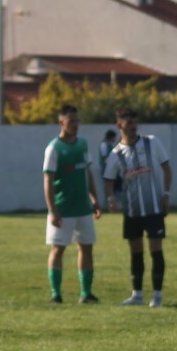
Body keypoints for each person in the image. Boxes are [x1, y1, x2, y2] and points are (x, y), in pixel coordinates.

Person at [103, 107, 172, 308]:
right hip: (132, 211)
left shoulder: (152, 143)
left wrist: (166, 194)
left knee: (156, 250)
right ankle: (137, 294)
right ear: (119, 125)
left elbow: (167, 168)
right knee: (136, 252)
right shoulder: (116, 153)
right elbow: (108, 179)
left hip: (154, 208)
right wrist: (110, 198)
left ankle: (157, 296)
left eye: (135, 123)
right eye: (128, 123)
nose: (133, 127)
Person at [43, 104, 102, 304]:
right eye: (71, 121)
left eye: (77, 121)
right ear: (61, 122)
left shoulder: (83, 144)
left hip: (83, 208)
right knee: (58, 249)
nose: (75, 125)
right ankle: (55, 294)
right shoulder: (54, 149)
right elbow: (48, 181)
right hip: (63, 209)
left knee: (86, 248)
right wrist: (53, 210)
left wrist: (94, 198)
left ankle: (86, 293)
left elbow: (88, 172)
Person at [97, 129, 119, 209]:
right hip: (106, 169)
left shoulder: (109, 145)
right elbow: (105, 158)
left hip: (110, 168)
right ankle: (108, 205)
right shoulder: (104, 145)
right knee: (108, 186)